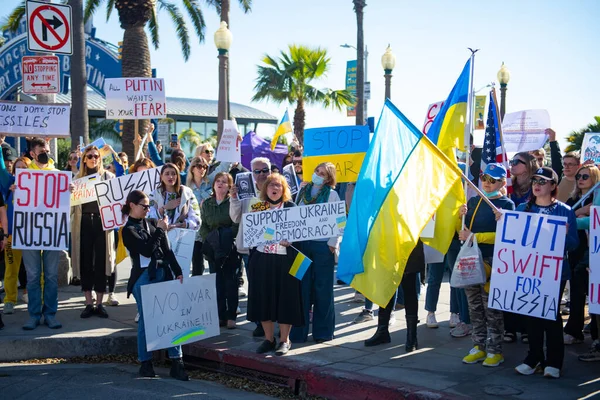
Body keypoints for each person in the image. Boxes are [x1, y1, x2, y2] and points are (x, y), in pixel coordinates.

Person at [514, 167, 578, 379]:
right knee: (531, 315)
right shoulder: (523, 208)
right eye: (534, 180)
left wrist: (565, 235)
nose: (537, 184)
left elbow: (573, 244)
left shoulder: (564, 211)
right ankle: (533, 358)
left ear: (553, 186)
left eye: (543, 181)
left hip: (554, 272)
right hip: (529, 270)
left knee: (551, 315)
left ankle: (554, 362)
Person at [121, 190, 189, 381]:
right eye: (144, 206)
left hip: (162, 273)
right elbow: (147, 250)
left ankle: (177, 361)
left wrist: (177, 270)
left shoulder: (151, 224)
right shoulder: (128, 230)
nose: (147, 209)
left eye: (148, 206)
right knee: (146, 319)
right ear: (132, 205)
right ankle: (146, 362)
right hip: (143, 276)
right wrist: (160, 230)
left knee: (171, 316)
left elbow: (166, 250)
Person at [457, 163, 515, 367]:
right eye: (484, 178)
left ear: (501, 182)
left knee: (492, 308)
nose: (487, 183)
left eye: (493, 180)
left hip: (493, 262)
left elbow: (505, 236)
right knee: (474, 307)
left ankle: (495, 350)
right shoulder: (473, 201)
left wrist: (475, 236)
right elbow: (463, 233)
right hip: (471, 260)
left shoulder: (507, 204)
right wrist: (460, 216)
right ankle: (478, 346)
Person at [246, 173, 304, 355]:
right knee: (264, 300)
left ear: (284, 189)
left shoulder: (291, 207)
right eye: (271, 185)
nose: (274, 188)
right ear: (266, 189)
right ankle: (268, 339)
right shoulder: (257, 207)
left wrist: (291, 240)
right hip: (263, 259)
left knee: (286, 299)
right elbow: (250, 232)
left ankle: (285, 340)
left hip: (285, 260)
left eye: (278, 185)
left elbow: (300, 232)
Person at [22, 138, 71, 330]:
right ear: (32, 153)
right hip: (29, 232)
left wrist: (70, 191)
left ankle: (50, 314)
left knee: (51, 276)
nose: (46, 152)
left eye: (47, 149)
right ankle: (34, 315)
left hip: (52, 232)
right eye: (42, 149)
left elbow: (65, 203)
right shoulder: (24, 176)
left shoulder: (58, 175)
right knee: (33, 276)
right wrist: (15, 191)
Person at [290, 162, 341, 344]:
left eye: (323, 173)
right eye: (317, 171)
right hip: (302, 246)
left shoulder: (333, 194)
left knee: (323, 289)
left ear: (329, 178)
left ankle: (323, 332)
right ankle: (298, 332)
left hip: (322, 248)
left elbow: (340, 220)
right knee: (300, 288)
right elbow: (293, 215)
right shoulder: (302, 192)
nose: (318, 175)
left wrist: (332, 243)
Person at [71, 146, 116, 319]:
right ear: (84, 159)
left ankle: (99, 303)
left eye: (96, 156)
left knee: (101, 262)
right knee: (85, 261)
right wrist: (69, 193)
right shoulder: (77, 179)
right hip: (83, 223)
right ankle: (88, 303)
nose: (93, 158)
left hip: (102, 224)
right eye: (89, 156)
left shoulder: (108, 177)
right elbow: (69, 206)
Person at [230, 157, 272, 337]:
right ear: (251, 173)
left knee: (272, 285)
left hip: (273, 247)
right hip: (251, 248)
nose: (262, 174)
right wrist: (234, 198)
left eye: (265, 170)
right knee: (255, 286)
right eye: (257, 171)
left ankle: (274, 320)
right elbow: (235, 217)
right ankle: (259, 322)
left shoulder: (279, 187)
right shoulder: (244, 190)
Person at [363, 241, 424, 352]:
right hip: (389, 244)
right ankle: (383, 331)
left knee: (409, 289)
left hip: (409, 243)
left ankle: (412, 337)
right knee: (387, 288)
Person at [563, 165, 599, 345]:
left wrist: (577, 218)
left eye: (585, 176)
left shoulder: (596, 199)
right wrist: (579, 212)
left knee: (594, 294)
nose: (581, 179)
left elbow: (594, 222)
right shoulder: (573, 199)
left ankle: (595, 332)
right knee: (577, 293)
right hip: (577, 251)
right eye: (578, 176)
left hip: (593, 251)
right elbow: (567, 221)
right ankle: (574, 329)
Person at [505, 152, 538, 343]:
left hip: (531, 242)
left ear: (529, 165)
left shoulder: (536, 184)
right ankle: (510, 327)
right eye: (512, 161)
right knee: (508, 285)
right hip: (509, 242)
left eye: (518, 162)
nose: (513, 165)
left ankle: (527, 328)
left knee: (526, 286)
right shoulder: (508, 185)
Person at [200, 172, 240, 329]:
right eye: (218, 181)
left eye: (224, 182)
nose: (220, 184)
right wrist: (209, 239)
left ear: (229, 186)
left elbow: (236, 224)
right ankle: (220, 315)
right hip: (213, 247)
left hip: (229, 247)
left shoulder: (233, 202)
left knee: (231, 282)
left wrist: (227, 237)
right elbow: (203, 225)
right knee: (217, 283)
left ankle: (231, 316)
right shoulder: (207, 204)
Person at [0, 157, 29, 314]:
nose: (21, 171)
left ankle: (33, 296)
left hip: (31, 235)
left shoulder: (36, 184)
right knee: (11, 269)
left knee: (34, 270)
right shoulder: (10, 183)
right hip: (12, 234)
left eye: (24, 168)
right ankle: (10, 299)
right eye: (17, 168)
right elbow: (1, 170)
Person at [148, 163, 200, 234]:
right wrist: (164, 208)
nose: (171, 177)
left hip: (182, 237)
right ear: (161, 177)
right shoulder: (154, 195)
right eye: (167, 174)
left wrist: (178, 225)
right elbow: (148, 217)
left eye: (173, 174)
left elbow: (196, 220)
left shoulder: (187, 193)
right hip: (160, 237)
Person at [187, 157, 211, 276]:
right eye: (200, 166)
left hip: (209, 228)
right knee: (197, 264)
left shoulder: (210, 183)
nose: (203, 169)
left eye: (205, 167)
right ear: (193, 168)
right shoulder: (186, 187)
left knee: (213, 262)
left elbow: (224, 167)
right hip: (194, 231)